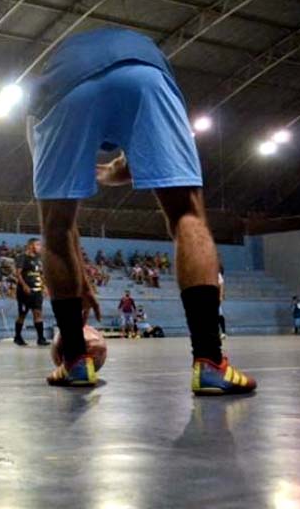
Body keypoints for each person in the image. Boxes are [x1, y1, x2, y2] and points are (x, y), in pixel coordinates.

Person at [28, 26, 255, 393]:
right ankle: (210, 363)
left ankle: (74, 362)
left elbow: (61, 227)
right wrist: (122, 170)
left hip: (63, 88)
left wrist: (76, 272)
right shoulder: (140, 60)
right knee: (187, 213)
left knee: (53, 226)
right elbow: (148, 162)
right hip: (144, 70)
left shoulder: (42, 95)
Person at [14, 238, 49, 346]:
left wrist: (45, 286)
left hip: (37, 290)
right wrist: (24, 286)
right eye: (37, 244)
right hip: (24, 291)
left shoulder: (39, 259)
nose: (39, 247)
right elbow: (18, 274)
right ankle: (18, 337)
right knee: (22, 314)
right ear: (30, 246)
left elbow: (41, 274)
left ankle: (41, 338)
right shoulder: (22, 258)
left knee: (38, 313)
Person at [218, 267, 227, 339]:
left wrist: (221, 296)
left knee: (219, 314)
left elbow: (221, 285)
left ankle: (223, 332)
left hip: (215, 297)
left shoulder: (217, 275)